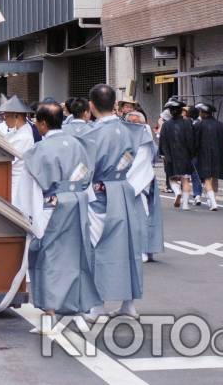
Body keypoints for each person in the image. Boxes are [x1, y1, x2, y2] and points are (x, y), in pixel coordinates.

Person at [14, 103, 100, 330]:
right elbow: (86, 176)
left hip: (51, 207)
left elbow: (29, 187)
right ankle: (77, 307)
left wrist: (27, 215)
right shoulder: (79, 145)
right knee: (77, 254)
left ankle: (50, 312)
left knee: (49, 257)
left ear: (42, 123)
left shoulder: (39, 151)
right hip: (78, 203)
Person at [78, 84, 156, 320]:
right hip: (124, 190)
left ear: (91, 106)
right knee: (128, 247)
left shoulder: (90, 135)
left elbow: (84, 169)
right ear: (114, 105)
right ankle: (128, 304)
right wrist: (123, 175)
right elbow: (140, 159)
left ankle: (97, 306)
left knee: (96, 247)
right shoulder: (133, 131)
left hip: (99, 194)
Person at [126, 111, 164, 262]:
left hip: (140, 182)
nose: (133, 125)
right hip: (139, 180)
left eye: (136, 122)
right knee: (143, 215)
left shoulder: (144, 138)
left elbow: (138, 162)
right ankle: (146, 249)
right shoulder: (133, 138)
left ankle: (143, 249)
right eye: (130, 122)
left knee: (142, 215)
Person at [0, 96, 36, 207]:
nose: (4, 119)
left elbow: (8, 160)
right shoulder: (17, 132)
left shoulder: (24, 137)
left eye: (6, 116)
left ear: (16, 116)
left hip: (17, 183)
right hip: (11, 180)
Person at [158, 99, 195, 210]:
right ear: (181, 111)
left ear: (170, 112)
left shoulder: (166, 125)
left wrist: (162, 153)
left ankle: (177, 192)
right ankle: (185, 204)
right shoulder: (187, 123)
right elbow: (191, 140)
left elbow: (162, 141)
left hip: (170, 156)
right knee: (185, 179)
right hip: (185, 155)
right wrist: (192, 153)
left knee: (172, 178)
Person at [193, 103, 223, 211]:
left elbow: (194, 142)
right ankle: (212, 199)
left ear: (203, 113)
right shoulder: (220, 125)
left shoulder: (199, 125)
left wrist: (194, 153)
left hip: (203, 155)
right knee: (215, 177)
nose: (199, 114)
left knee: (207, 178)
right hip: (218, 156)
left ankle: (213, 202)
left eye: (200, 112)